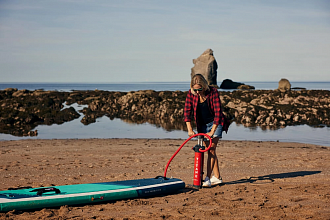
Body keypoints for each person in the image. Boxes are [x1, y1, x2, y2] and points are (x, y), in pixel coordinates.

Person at [184, 74, 229, 187]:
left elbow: (218, 113)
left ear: (204, 86)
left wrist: (212, 131)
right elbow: (187, 112)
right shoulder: (191, 93)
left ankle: (208, 178)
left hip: (215, 122)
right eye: (195, 89)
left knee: (211, 149)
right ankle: (217, 177)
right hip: (202, 125)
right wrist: (190, 129)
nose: (198, 92)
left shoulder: (213, 92)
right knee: (209, 150)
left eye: (200, 89)